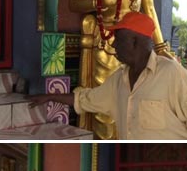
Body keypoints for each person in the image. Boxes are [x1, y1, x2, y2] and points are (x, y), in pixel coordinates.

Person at [29, 12, 187, 140]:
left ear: (134, 41)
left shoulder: (170, 72)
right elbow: (85, 99)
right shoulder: (118, 79)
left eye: (118, 39)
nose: (113, 45)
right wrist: (49, 97)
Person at [69, 0, 173, 139]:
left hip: (137, 52)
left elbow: (150, 11)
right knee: (106, 112)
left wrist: (161, 48)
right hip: (108, 46)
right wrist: (98, 2)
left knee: (136, 107)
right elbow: (73, 3)